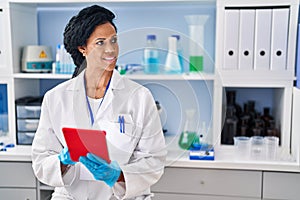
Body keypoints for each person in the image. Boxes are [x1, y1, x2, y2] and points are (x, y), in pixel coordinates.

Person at [31, 5, 166, 200]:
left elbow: (154, 160)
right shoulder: (56, 98)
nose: (111, 49)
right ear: (82, 48)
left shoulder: (139, 96)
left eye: (114, 40)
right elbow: (41, 160)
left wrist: (117, 175)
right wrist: (64, 161)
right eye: (100, 43)